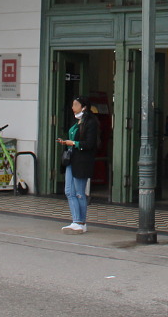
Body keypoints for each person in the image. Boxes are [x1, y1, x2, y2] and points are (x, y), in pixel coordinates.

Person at [57, 95, 99, 233]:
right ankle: (76, 221)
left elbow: (90, 143)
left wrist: (74, 143)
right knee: (69, 191)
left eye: (75, 105)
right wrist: (66, 142)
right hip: (71, 159)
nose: (73, 108)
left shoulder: (91, 122)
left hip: (82, 161)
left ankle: (80, 222)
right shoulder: (77, 123)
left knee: (79, 192)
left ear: (84, 107)